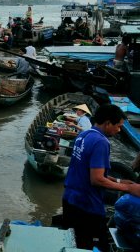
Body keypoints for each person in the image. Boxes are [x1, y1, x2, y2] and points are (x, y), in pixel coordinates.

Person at [62, 104, 140, 251]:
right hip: (86, 205)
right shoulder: (101, 142)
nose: (118, 130)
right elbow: (96, 179)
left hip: (70, 199)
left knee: (73, 243)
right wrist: (130, 188)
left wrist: (119, 181)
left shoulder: (83, 135)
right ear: (108, 123)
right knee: (95, 246)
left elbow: (89, 171)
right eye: (118, 126)